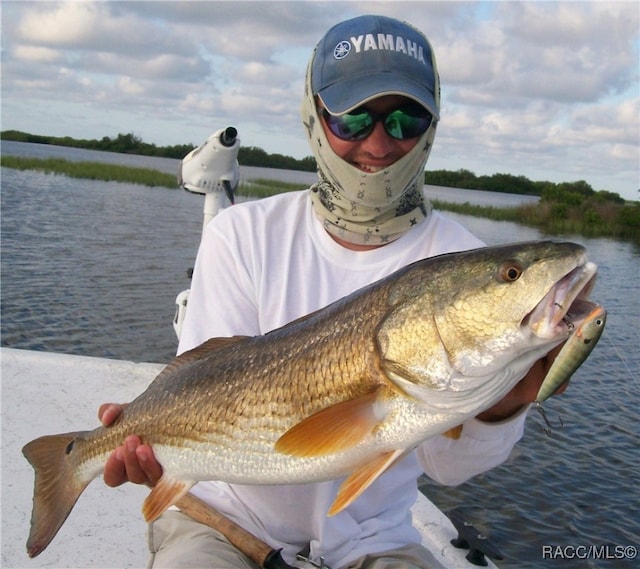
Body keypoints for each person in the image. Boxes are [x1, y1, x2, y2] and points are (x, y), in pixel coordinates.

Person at [99, 15, 563, 569]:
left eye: (404, 118)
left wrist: (503, 403)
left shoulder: (460, 259)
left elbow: (447, 467)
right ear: (315, 116)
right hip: (223, 518)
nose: (378, 142)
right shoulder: (242, 234)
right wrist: (157, 449)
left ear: (432, 125)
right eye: (353, 117)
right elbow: (204, 383)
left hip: (375, 540)